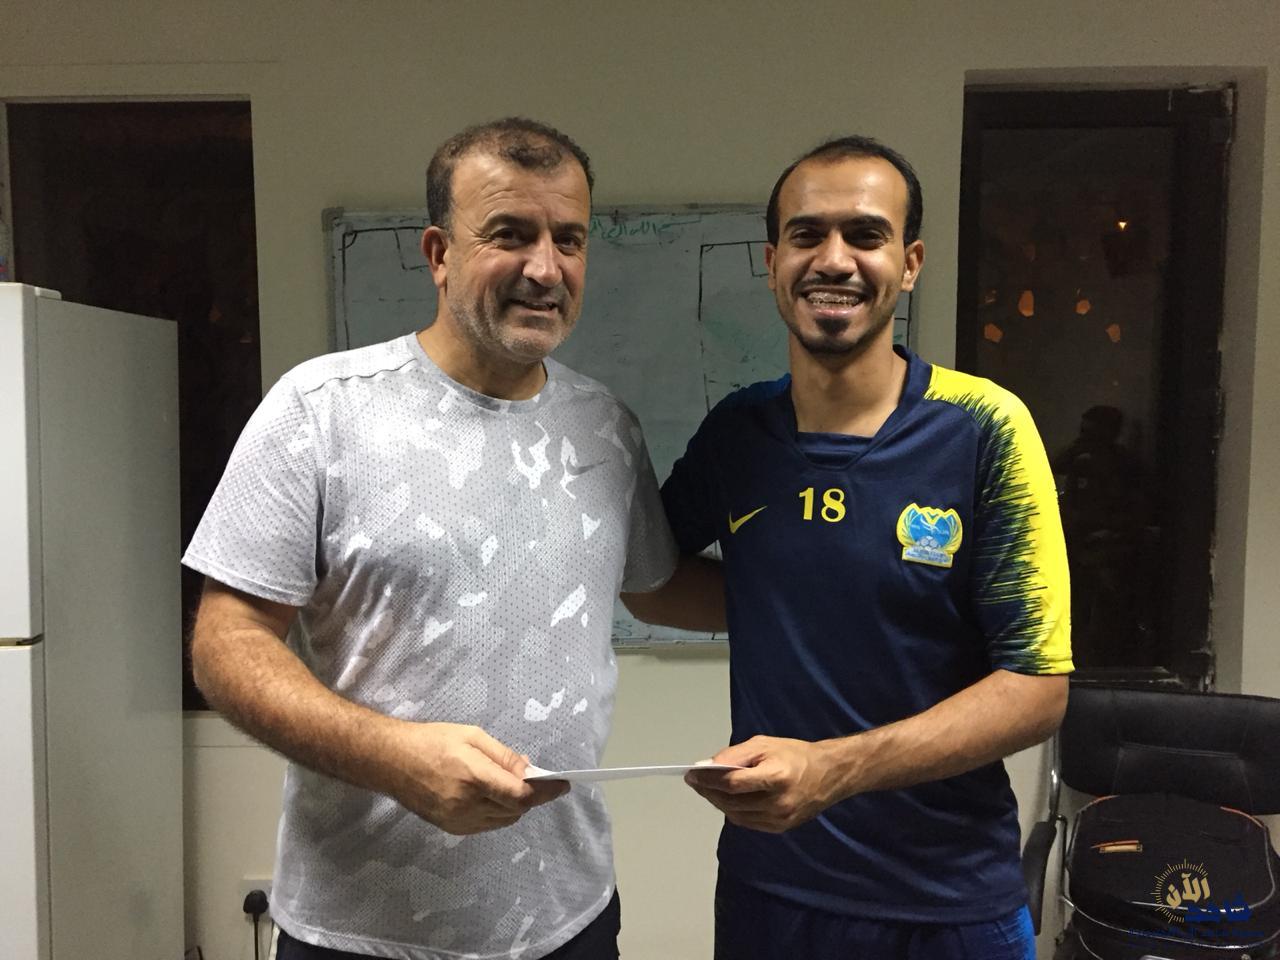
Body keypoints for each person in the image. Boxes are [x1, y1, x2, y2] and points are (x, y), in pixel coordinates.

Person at [184, 117, 718, 960]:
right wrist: (393, 756)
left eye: (568, 239)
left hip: (568, 918)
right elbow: (226, 644)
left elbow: (655, 586)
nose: (545, 268)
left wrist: (846, 595)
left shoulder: (604, 426)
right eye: (510, 234)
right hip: (360, 932)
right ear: (438, 253)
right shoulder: (320, 411)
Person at [662, 136, 1073, 959]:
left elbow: (1035, 690)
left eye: (866, 234)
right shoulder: (738, 432)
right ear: (772, 261)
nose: (834, 259)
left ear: (910, 263)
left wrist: (832, 769)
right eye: (807, 235)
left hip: (950, 905)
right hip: (771, 893)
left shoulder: (985, 427)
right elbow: (653, 582)